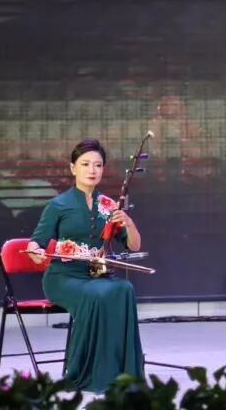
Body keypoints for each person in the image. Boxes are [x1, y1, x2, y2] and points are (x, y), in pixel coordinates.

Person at [26, 139, 144, 392]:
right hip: (63, 277)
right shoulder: (58, 205)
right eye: (85, 164)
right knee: (97, 294)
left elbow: (133, 245)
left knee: (123, 289)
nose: (92, 170)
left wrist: (128, 222)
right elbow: (37, 241)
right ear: (73, 168)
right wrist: (35, 251)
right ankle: (87, 372)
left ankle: (120, 373)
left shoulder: (109, 206)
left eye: (98, 165)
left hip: (95, 277)